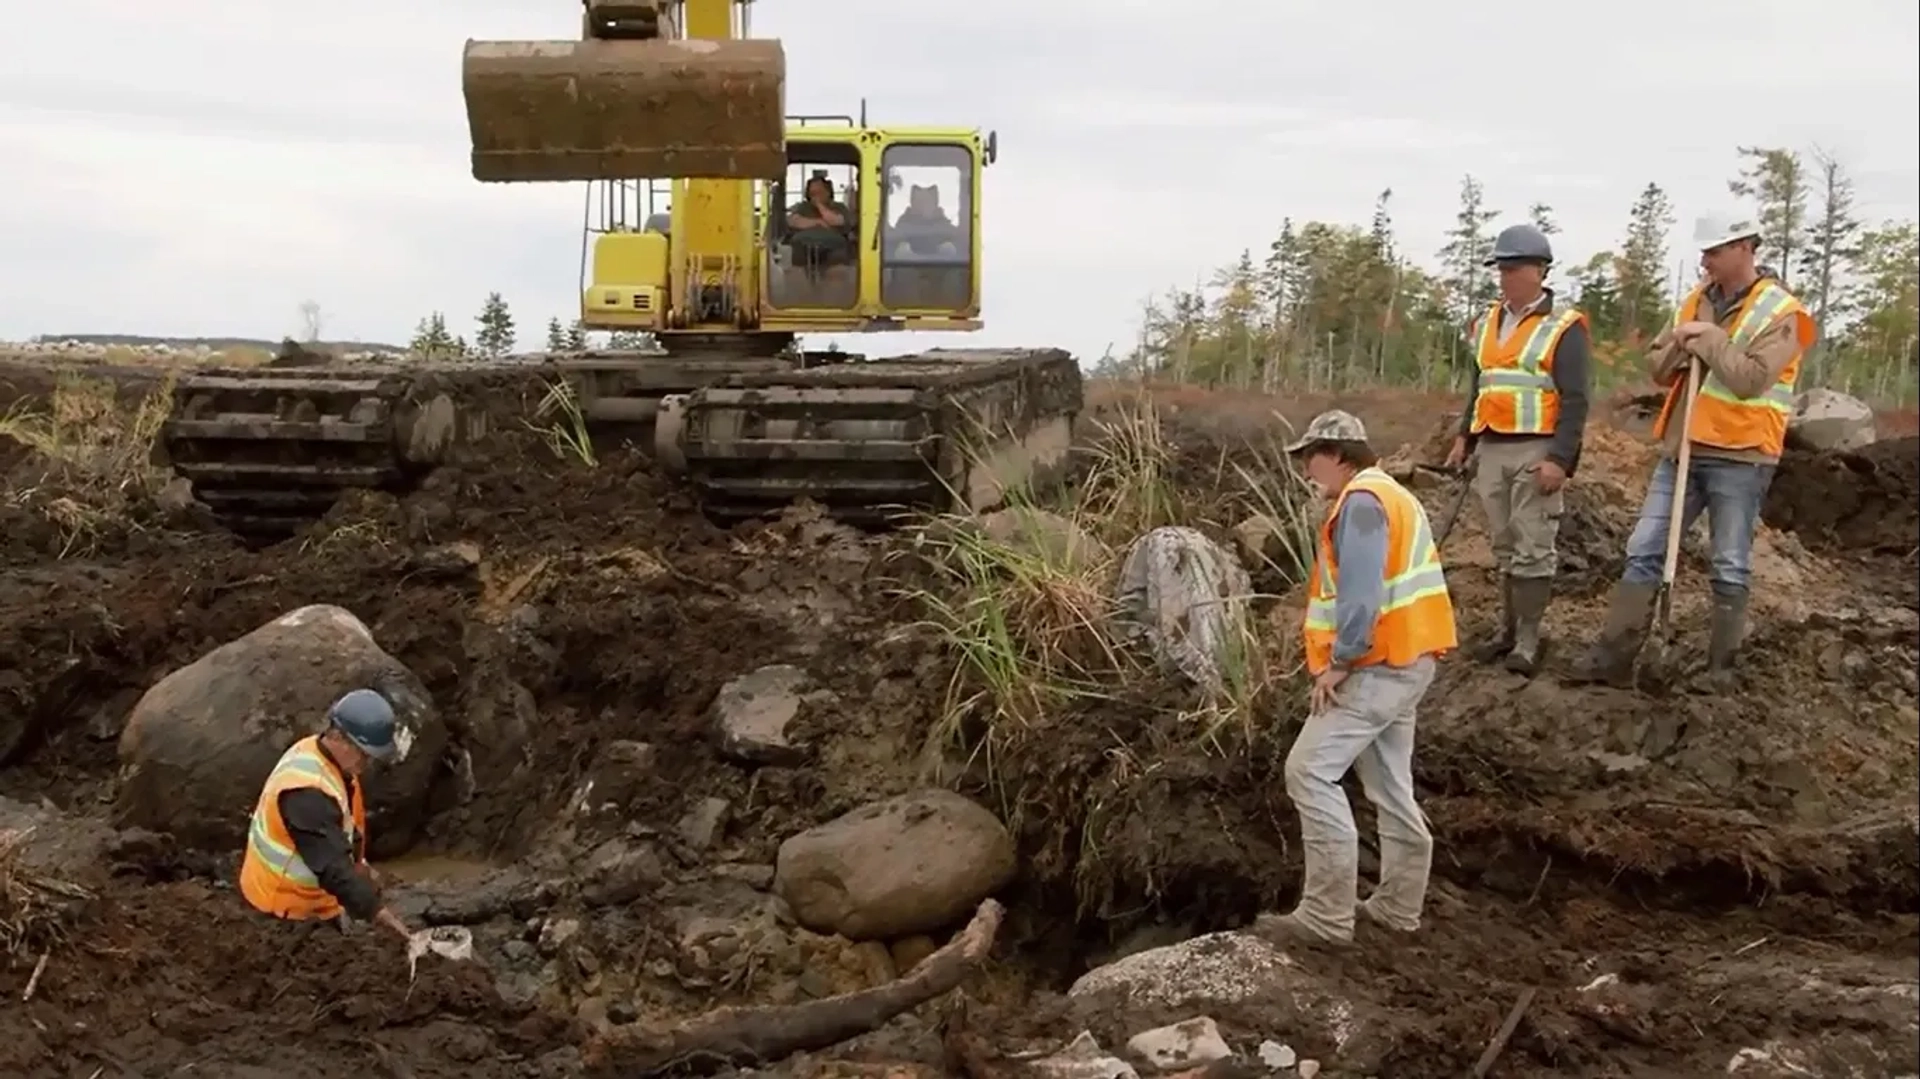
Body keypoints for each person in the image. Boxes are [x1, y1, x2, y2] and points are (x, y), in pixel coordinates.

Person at [1566, 215, 1817, 689]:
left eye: (1713, 252)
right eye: (1703, 253)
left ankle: (1720, 669)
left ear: (1744, 247)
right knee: (1644, 548)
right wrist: (1682, 343)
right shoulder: (1696, 300)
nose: (1704, 262)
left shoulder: (1786, 314)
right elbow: (1659, 368)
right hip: (1683, 448)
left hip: (1741, 454)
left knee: (1728, 559)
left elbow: (1750, 380)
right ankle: (1613, 658)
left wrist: (1712, 338)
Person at [1255, 410, 1458, 948]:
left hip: (1376, 666)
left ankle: (1325, 917)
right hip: (1410, 659)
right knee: (1390, 783)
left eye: (1309, 458)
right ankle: (1397, 906)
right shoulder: (1390, 494)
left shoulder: (1362, 504)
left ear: (1337, 454)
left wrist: (1341, 662)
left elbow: (1361, 596)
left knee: (1309, 772)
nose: (1305, 470)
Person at [1443, 223, 1591, 676]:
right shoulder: (1487, 321)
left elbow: (1576, 398)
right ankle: (1507, 633)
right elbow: (1481, 383)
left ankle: (1528, 640)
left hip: (1536, 449)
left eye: (1512, 268)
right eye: (1500, 268)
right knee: (1505, 545)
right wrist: (1464, 437)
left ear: (1539, 271)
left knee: (1533, 546)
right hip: (1492, 447)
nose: (1503, 276)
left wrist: (1560, 459)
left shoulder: (1563, 327)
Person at [239, 688, 415, 943]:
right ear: (338, 737)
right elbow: (335, 871)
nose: (367, 763)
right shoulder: (307, 794)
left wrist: (361, 866)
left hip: (309, 899)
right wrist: (385, 919)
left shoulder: (323, 754)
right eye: (364, 754)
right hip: (283, 910)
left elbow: (344, 825)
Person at [785, 174, 854, 267]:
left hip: (834, 248)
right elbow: (793, 221)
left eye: (819, 192)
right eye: (813, 193)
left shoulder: (839, 206)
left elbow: (837, 221)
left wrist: (819, 205)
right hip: (804, 249)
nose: (815, 196)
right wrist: (818, 222)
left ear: (828, 192)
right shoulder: (803, 207)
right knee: (795, 271)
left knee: (837, 271)